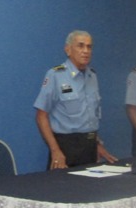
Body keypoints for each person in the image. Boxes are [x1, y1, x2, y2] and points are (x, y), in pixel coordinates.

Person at [34, 30, 117, 169]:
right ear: (68, 49)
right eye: (80, 46)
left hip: (90, 147)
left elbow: (90, 116)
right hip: (66, 148)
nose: (86, 51)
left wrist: (97, 144)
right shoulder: (56, 75)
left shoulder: (92, 76)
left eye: (89, 47)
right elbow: (41, 116)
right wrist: (55, 151)